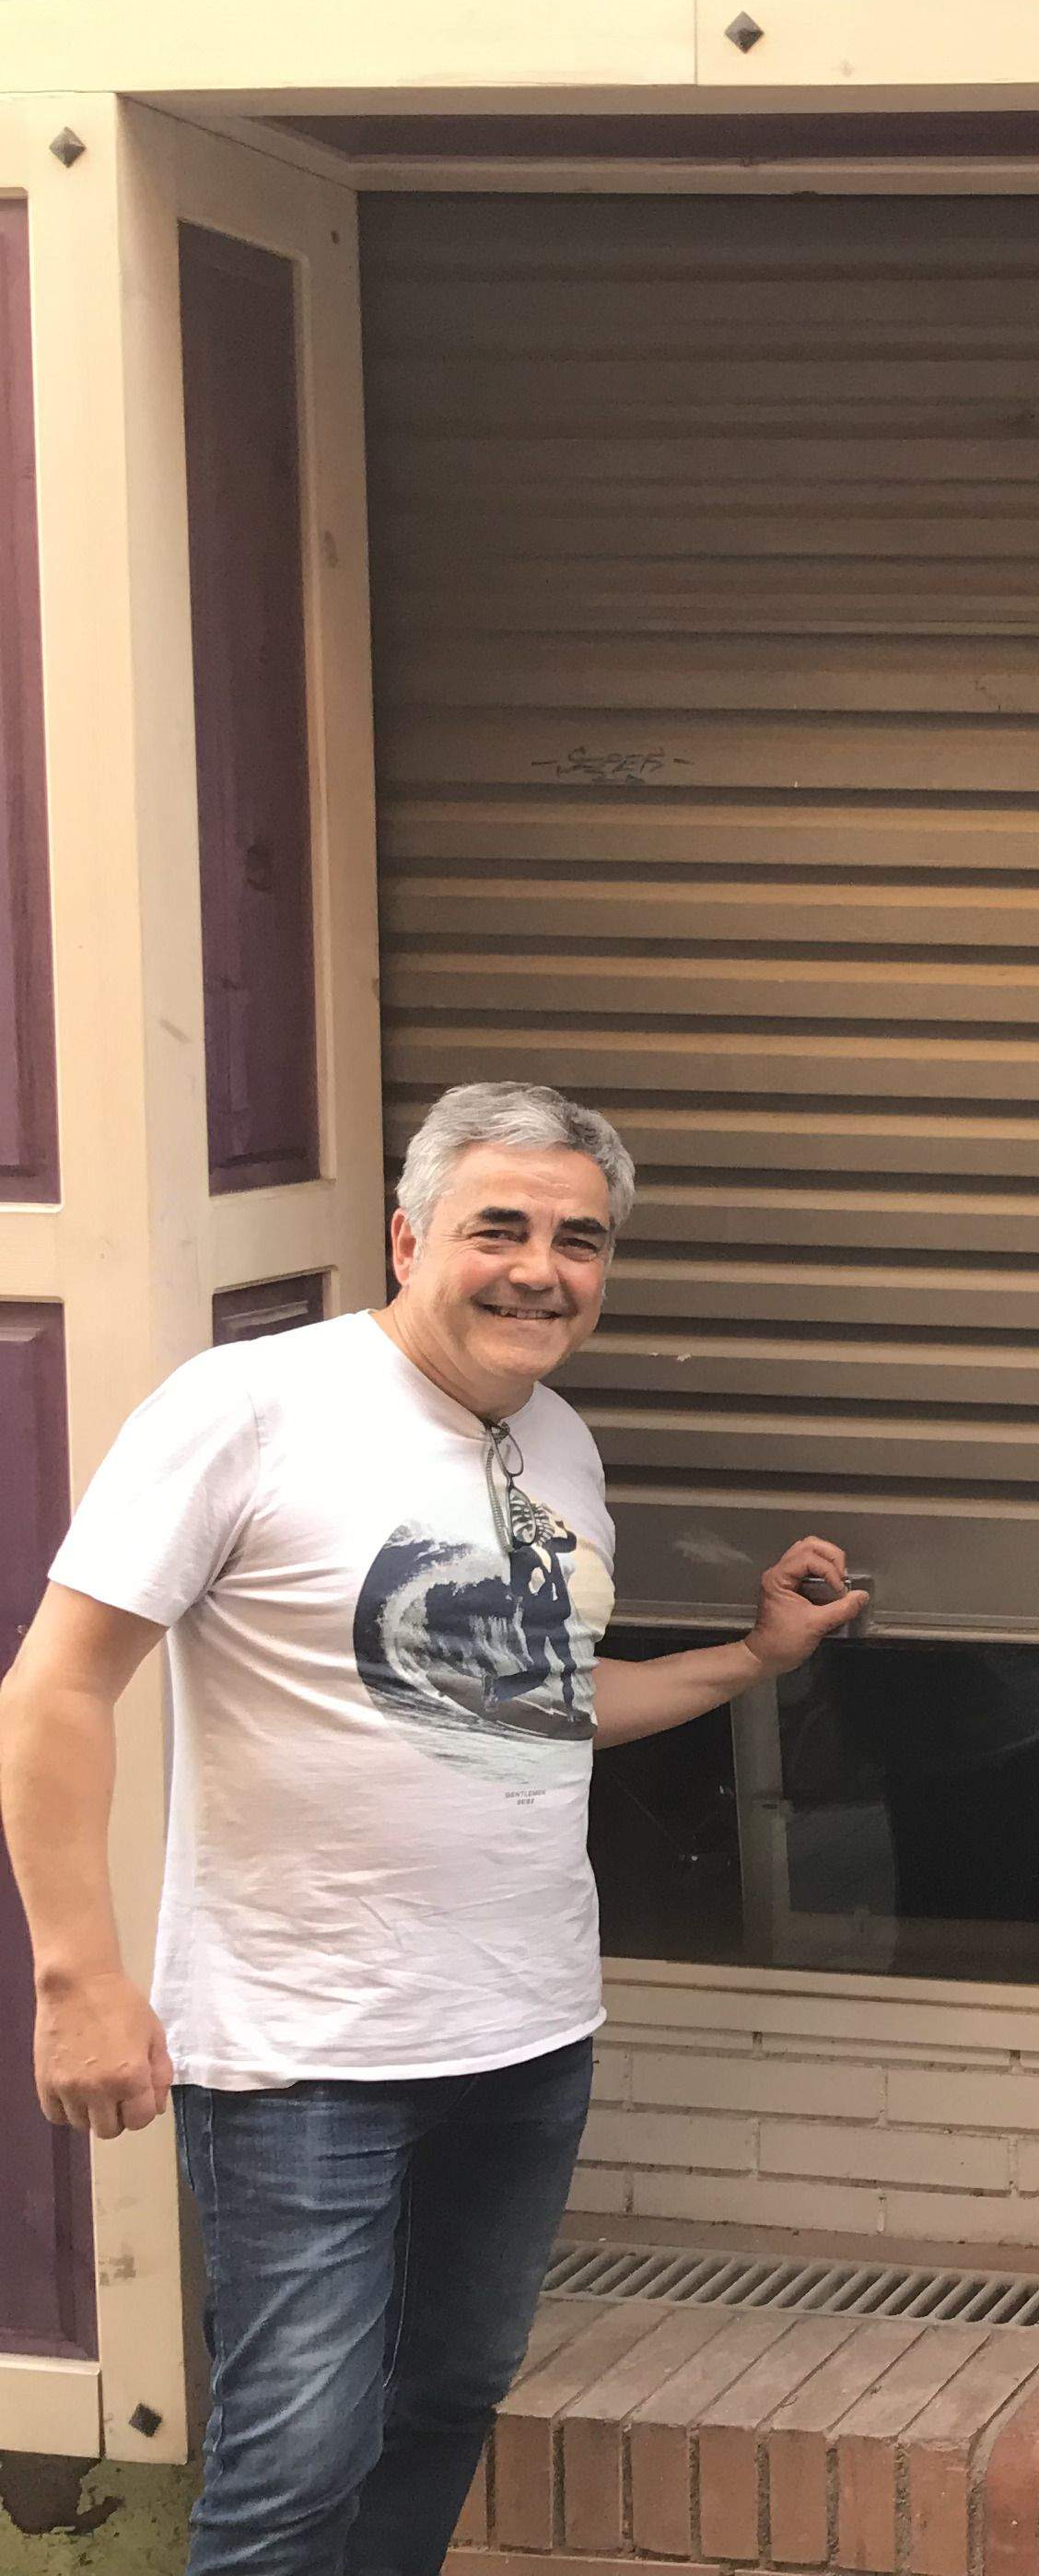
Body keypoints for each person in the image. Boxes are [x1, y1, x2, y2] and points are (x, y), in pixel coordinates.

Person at [0, 1081, 866, 2576]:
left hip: (525, 2034)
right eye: (500, 1229)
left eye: (580, 1240)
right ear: (407, 1236)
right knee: (295, 2459)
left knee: (451, 2397)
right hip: (304, 2052)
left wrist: (748, 1663)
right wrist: (78, 1973)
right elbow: (56, 1686)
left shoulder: (560, 1445)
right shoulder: (248, 1408)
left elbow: (528, 1704)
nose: (542, 1268)